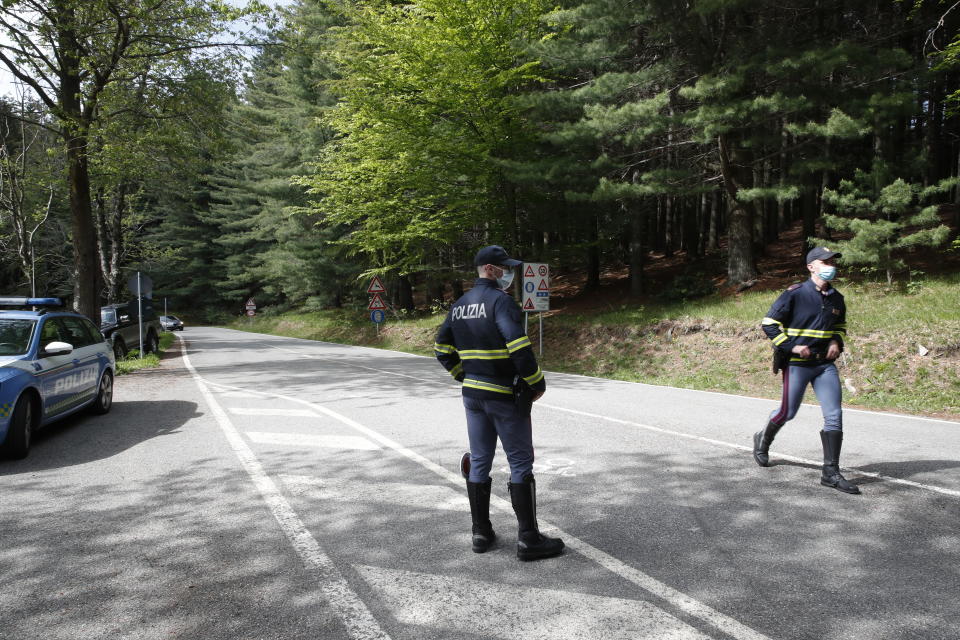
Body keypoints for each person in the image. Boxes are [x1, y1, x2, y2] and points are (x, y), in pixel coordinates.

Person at [435, 245, 565, 560]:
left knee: (480, 461)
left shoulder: (460, 305)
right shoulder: (501, 302)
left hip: (473, 395)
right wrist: (536, 383)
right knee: (520, 463)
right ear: (491, 269)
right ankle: (529, 540)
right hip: (505, 395)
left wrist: (461, 375)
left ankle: (481, 534)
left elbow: (441, 348)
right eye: (504, 268)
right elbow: (518, 347)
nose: (509, 274)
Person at [754, 246, 860, 494]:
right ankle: (763, 439)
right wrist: (792, 347)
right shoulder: (795, 293)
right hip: (798, 365)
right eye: (825, 262)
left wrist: (836, 341)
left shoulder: (837, 298)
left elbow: (840, 326)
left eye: (832, 261)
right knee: (787, 413)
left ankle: (831, 473)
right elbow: (768, 324)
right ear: (811, 266)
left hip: (824, 365)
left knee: (834, 414)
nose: (831, 265)